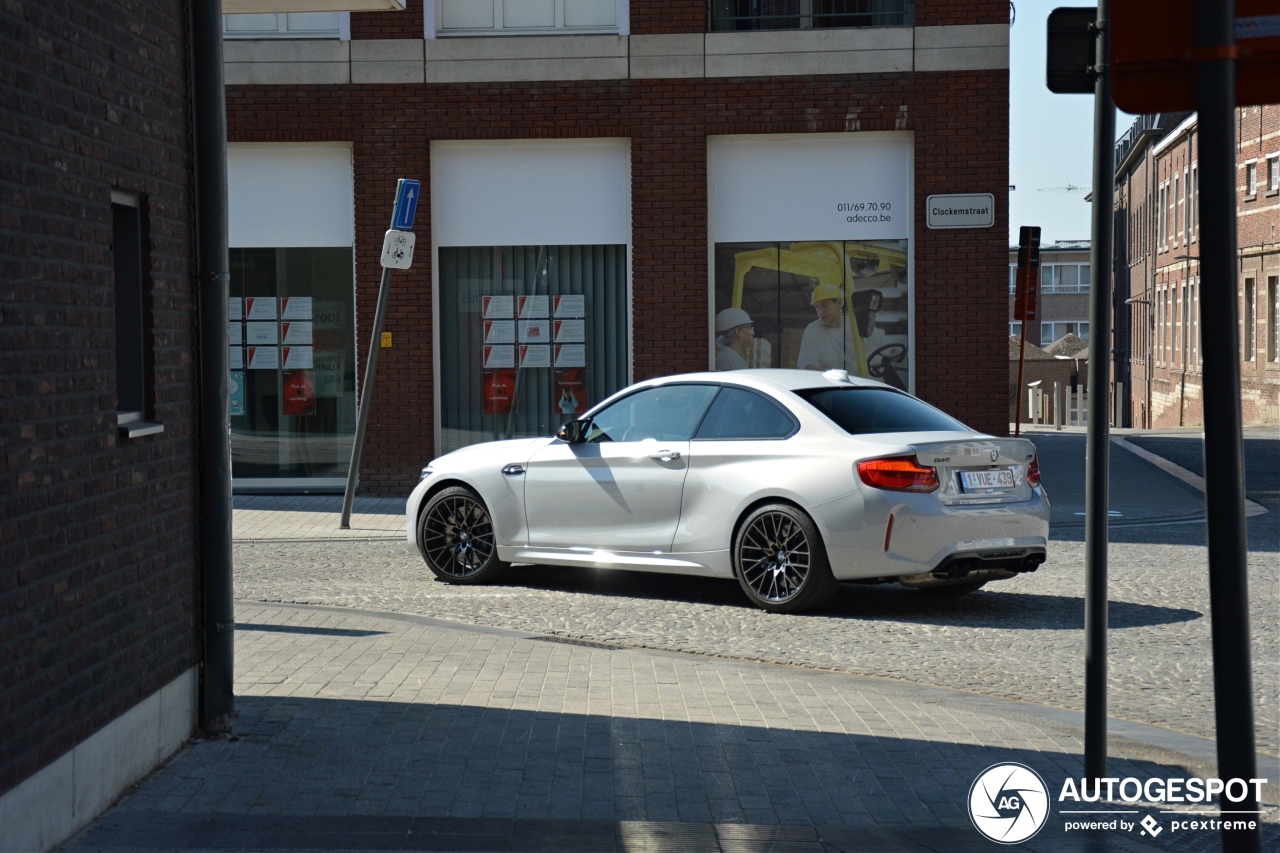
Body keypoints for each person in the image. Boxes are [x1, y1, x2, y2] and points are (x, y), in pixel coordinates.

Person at [796, 283, 860, 373]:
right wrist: (838, 378)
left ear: (839, 303)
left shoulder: (857, 327)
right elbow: (809, 366)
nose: (821, 312)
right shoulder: (813, 331)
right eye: (817, 307)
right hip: (830, 385)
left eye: (824, 305)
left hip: (860, 384)